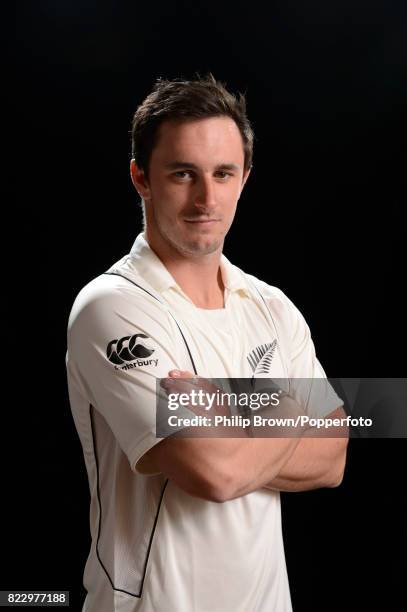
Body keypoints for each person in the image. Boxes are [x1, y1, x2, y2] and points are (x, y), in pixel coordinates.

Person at [66, 73, 349, 612]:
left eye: (223, 173)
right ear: (140, 178)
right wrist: (288, 409)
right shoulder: (111, 306)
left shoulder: (272, 306)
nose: (206, 198)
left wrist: (230, 412)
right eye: (182, 174)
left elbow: (335, 454)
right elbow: (212, 472)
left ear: (245, 178)